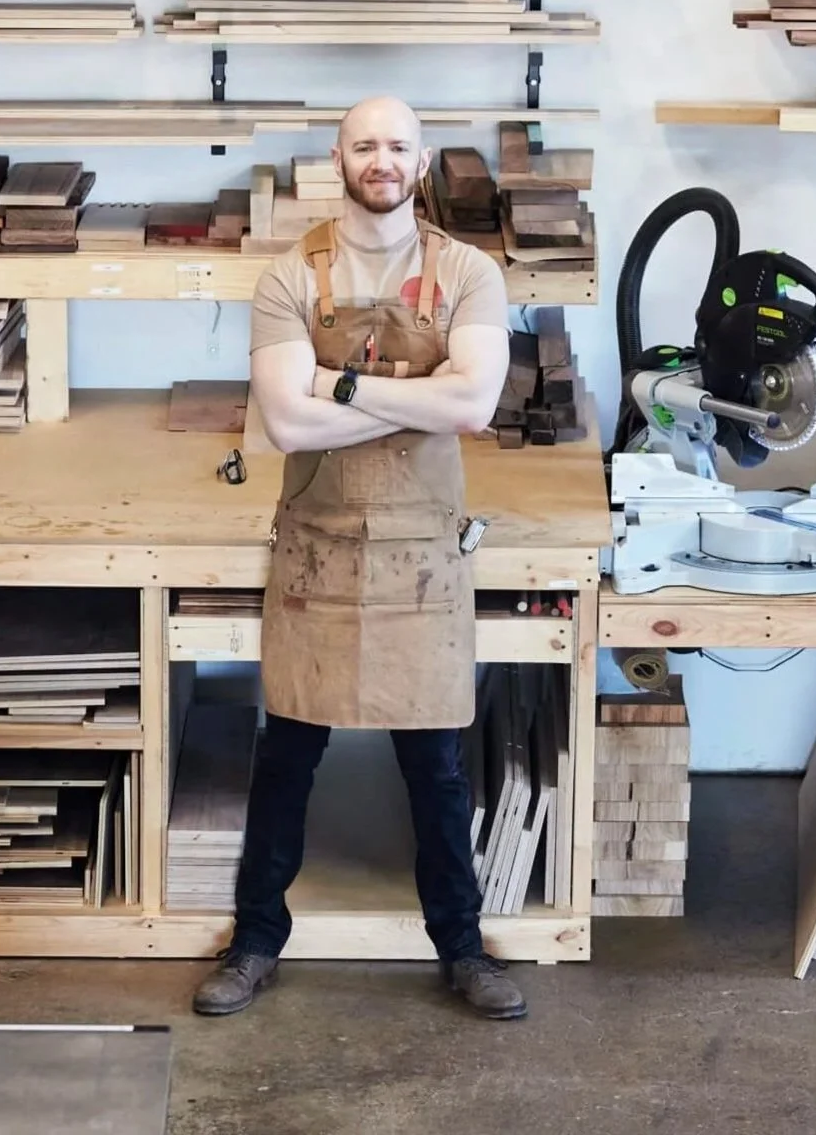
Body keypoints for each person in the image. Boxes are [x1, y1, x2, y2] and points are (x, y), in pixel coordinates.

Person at [192, 96, 523, 1020]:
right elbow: (286, 421)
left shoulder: (468, 272)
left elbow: (473, 408)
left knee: (437, 767)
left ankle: (463, 949)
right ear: (337, 158)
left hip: (422, 555)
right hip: (318, 553)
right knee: (287, 752)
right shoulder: (288, 278)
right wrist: (412, 390)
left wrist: (342, 383)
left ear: (421, 165)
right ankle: (256, 940)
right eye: (365, 145)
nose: (383, 160)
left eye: (399, 147)